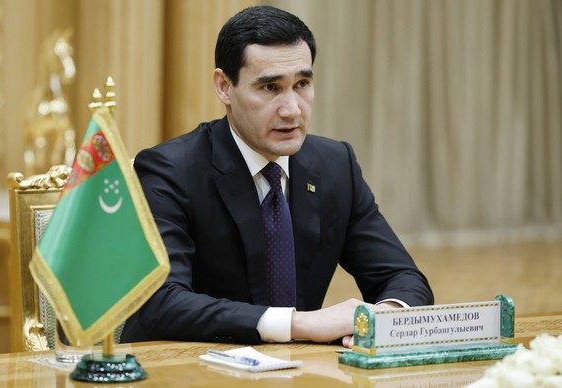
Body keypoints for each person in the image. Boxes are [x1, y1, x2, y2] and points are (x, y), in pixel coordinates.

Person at [121, 5, 433, 348]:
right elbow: (161, 303)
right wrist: (298, 323)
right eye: (270, 88)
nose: (292, 109)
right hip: (192, 367)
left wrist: (382, 318)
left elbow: (401, 277)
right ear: (225, 87)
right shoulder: (169, 170)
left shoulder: (335, 165)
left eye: (302, 84)